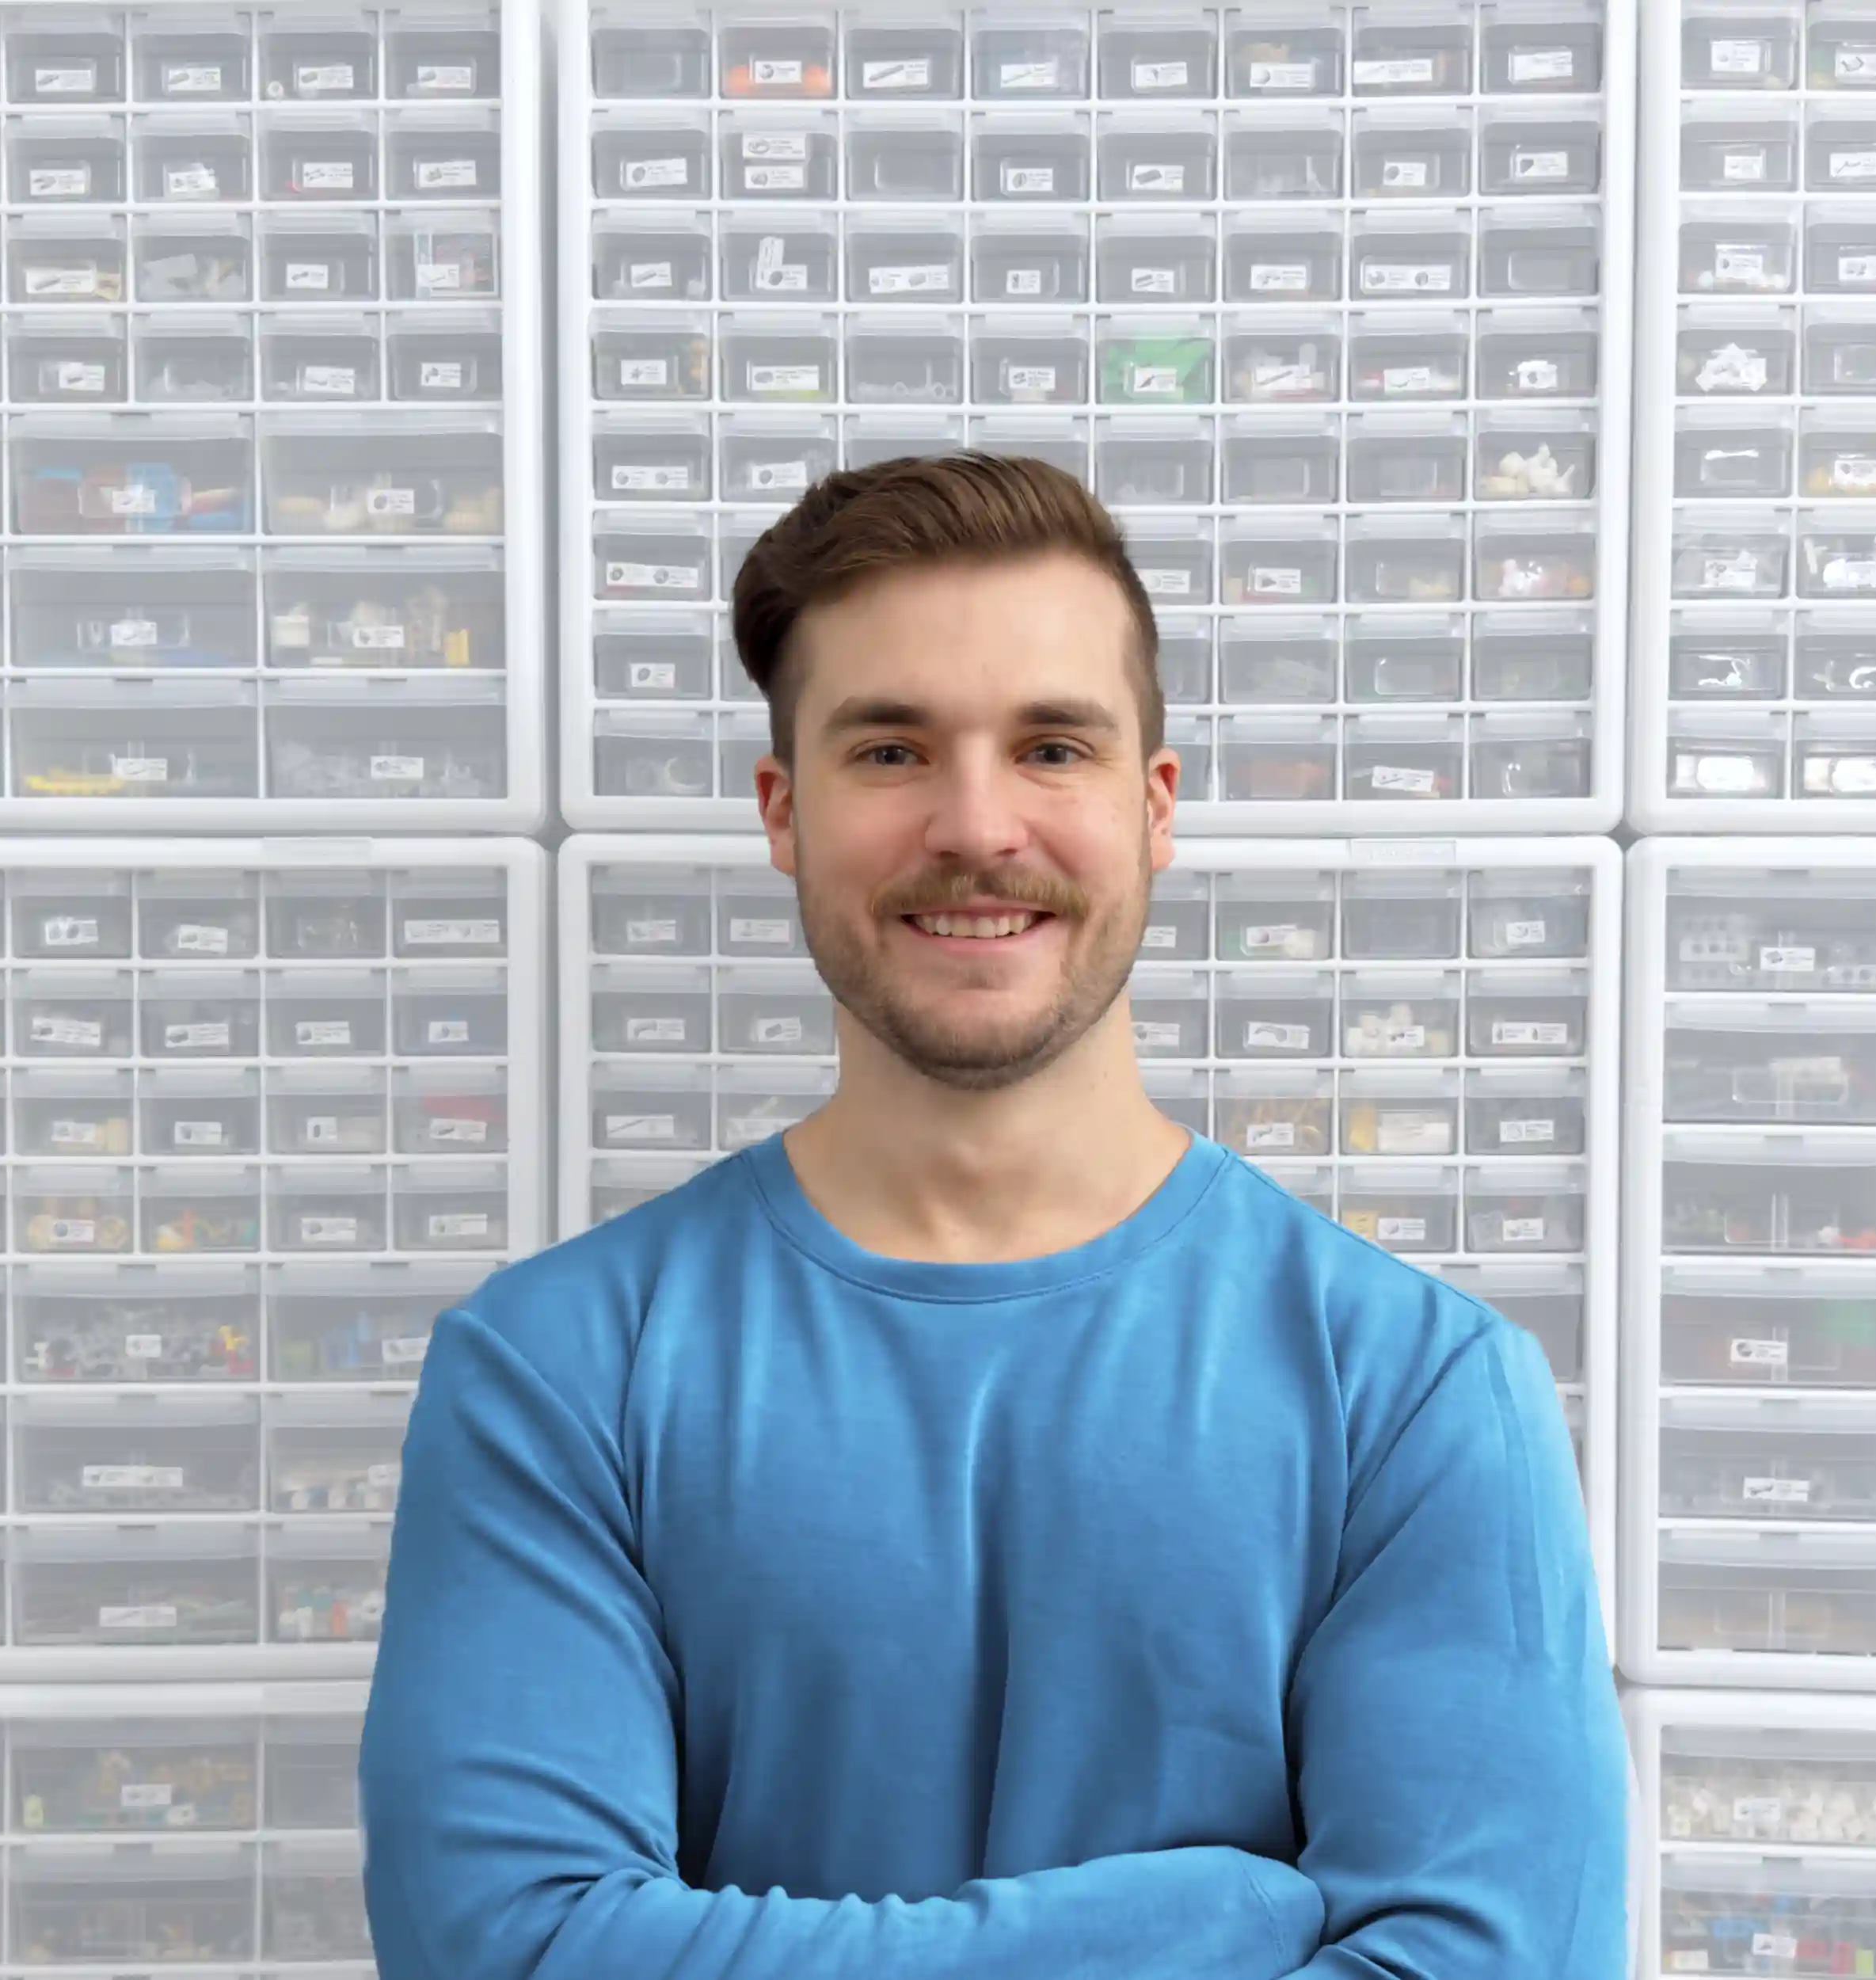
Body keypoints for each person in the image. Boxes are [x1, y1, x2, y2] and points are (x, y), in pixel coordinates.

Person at [359, 452, 1627, 1978]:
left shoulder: (1417, 1391)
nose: (977, 825)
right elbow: (511, 1952)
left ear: (1154, 806)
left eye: (1052, 747)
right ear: (784, 813)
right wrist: (1213, 1917)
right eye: (891, 752)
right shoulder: (557, 1373)